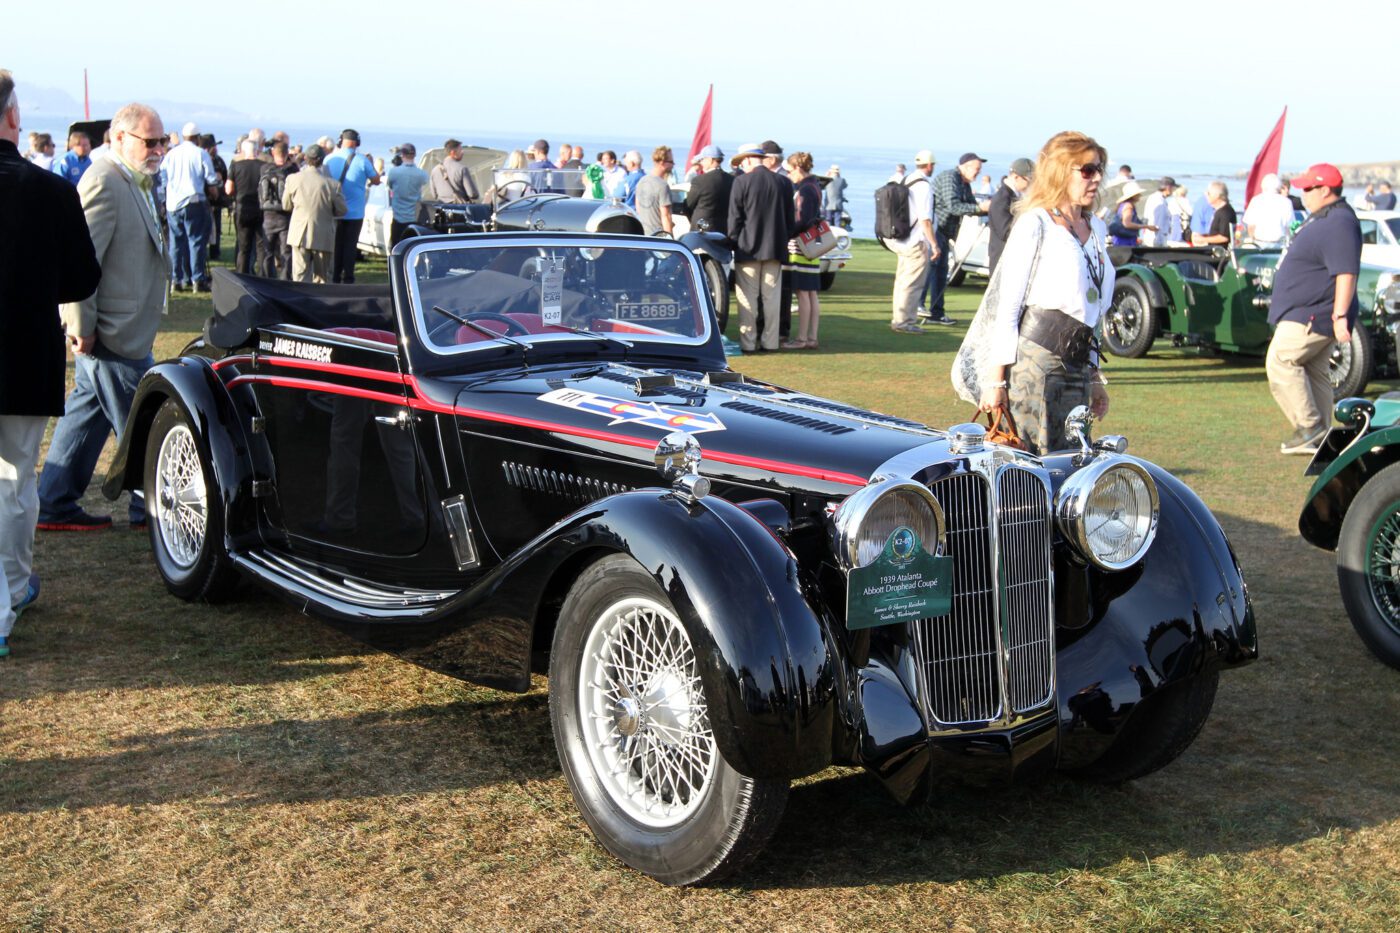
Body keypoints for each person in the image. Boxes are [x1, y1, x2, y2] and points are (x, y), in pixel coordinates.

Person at [0, 70, 102, 657]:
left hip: (24, 352)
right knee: (15, 477)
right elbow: (81, 277)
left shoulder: (53, 188)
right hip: (21, 351)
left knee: (13, 479)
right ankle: (9, 591)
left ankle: (12, 590)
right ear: (14, 119)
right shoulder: (50, 191)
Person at [36, 101, 169, 533]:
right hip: (113, 333)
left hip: (119, 329)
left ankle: (54, 501)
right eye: (150, 142)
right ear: (118, 137)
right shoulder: (105, 181)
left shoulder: (132, 179)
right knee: (143, 425)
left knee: (86, 416)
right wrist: (82, 327)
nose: (158, 150)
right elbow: (79, 263)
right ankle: (148, 511)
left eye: (162, 142)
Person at [973, 130, 1113, 455]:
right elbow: (1008, 307)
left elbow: (1092, 310)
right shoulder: (1036, 224)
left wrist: (1093, 376)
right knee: (1032, 465)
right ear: (1061, 172)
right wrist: (996, 381)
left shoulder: (1097, 229)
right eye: (1087, 170)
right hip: (1036, 364)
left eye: (1099, 170)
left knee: (1074, 459)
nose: (1096, 179)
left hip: (1076, 363)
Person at [1267, 163, 1362, 455]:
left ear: (1325, 190)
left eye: (1308, 188)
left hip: (1312, 313)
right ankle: (1323, 440)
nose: (1303, 193)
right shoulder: (1327, 218)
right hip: (1309, 311)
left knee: (1281, 360)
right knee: (1313, 370)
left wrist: (1340, 315)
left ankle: (1311, 428)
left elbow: (1346, 272)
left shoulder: (1338, 222)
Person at [727, 142, 794, 352]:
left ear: (747, 160)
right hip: (775, 248)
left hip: (748, 248)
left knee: (747, 299)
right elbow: (790, 220)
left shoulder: (741, 182)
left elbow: (734, 218)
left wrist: (732, 240)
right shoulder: (783, 182)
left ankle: (748, 342)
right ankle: (770, 342)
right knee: (772, 298)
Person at [926, 152, 989, 325]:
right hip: (935, 229)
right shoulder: (950, 177)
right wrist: (980, 208)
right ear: (966, 166)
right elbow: (954, 206)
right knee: (932, 270)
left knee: (940, 273)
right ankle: (920, 309)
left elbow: (970, 204)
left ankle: (936, 314)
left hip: (946, 233)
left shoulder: (964, 183)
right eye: (977, 169)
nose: (978, 173)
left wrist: (986, 207)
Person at [160, 121, 219, 292]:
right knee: (196, 241)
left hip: (173, 203)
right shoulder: (200, 153)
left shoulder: (171, 154)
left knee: (176, 243)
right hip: (194, 200)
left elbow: (163, 177)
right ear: (197, 138)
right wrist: (214, 189)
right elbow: (210, 177)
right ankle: (197, 279)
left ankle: (176, 280)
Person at [282, 143, 347, 284]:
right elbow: (342, 210)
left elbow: (286, 205)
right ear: (322, 160)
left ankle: (300, 301)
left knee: (299, 275)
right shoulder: (332, 184)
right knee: (323, 277)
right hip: (323, 234)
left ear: (306, 158)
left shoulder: (292, 179)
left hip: (299, 233)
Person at [889, 150, 938, 335]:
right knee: (913, 283)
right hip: (917, 241)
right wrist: (934, 244)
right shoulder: (923, 186)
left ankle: (899, 319)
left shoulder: (906, 180)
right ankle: (905, 322)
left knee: (902, 282)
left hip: (903, 239)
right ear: (930, 165)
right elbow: (925, 219)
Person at [322, 129, 380, 284]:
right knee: (350, 245)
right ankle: (348, 277)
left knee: (335, 245)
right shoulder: (362, 160)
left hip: (333, 211)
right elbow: (376, 180)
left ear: (340, 141)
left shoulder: (329, 159)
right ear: (357, 143)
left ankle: (334, 276)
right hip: (355, 213)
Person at [782, 152, 823, 350]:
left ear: (797, 168)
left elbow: (803, 219)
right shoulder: (815, 185)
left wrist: (789, 232)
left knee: (803, 293)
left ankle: (802, 338)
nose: (789, 175)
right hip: (814, 244)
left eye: (789, 171)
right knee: (811, 293)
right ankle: (812, 337)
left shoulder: (805, 189)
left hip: (802, 245)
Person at [226, 139, 266, 274]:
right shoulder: (264, 166)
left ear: (243, 151)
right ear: (257, 151)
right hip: (260, 209)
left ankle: (242, 275)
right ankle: (263, 276)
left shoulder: (236, 166)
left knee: (244, 247)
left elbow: (228, 189)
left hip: (242, 208)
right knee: (261, 247)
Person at [260, 140, 298, 278]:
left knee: (267, 251)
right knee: (286, 251)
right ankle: (285, 278)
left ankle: (267, 277)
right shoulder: (292, 170)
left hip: (268, 215)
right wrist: (293, 161)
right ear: (287, 154)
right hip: (285, 215)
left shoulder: (264, 169)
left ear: (272, 153)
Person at [988, 157, 1034, 274]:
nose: (1032, 184)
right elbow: (1006, 232)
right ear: (1016, 177)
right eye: (1030, 179)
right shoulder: (1002, 198)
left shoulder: (1013, 196)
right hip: (1002, 260)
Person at [684, 145, 732, 239]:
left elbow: (688, 205)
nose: (701, 163)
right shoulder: (731, 180)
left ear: (710, 160)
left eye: (702, 160)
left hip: (702, 232)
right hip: (723, 232)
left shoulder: (700, 180)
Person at [387, 142, 429, 246]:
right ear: (414, 155)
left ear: (402, 155)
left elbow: (390, 186)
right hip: (414, 217)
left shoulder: (394, 172)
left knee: (396, 247)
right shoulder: (422, 174)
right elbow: (426, 189)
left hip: (398, 217)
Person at [1243, 173, 1294, 246]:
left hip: (1259, 244)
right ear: (1278, 187)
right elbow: (1289, 227)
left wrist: (1253, 240)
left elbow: (1251, 227)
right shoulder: (1287, 202)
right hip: (1280, 245)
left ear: (1263, 186)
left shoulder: (1256, 200)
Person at [633, 146, 674, 236]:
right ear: (662, 163)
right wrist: (671, 240)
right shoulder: (663, 185)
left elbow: (638, 209)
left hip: (644, 235)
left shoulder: (641, 182)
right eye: (671, 162)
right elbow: (666, 216)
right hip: (659, 237)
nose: (673, 164)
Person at [202, 133, 229, 260]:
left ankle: (215, 252)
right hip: (204, 199)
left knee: (216, 229)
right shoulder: (201, 159)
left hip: (216, 201)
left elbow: (225, 176)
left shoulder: (219, 161)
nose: (216, 149)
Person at [430, 139, 480, 204]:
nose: (462, 152)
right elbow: (472, 194)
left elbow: (434, 195)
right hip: (459, 209)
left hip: (441, 210)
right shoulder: (462, 169)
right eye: (460, 150)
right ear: (453, 152)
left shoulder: (435, 170)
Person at [1109, 181, 1154, 246]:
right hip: (1125, 240)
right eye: (1138, 194)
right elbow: (1127, 224)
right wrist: (1147, 226)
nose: (1140, 195)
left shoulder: (1123, 205)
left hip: (1121, 239)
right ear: (1133, 196)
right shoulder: (1128, 206)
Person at [1192, 181, 1235, 246]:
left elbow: (1224, 237)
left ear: (1216, 195)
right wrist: (1203, 236)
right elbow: (1216, 232)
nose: (1206, 196)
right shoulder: (1218, 211)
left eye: (1208, 193)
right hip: (1212, 247)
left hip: (1220, 251)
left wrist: (1202, 239)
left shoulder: (1225, 213)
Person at [1142, 176, 1176, 247]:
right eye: (1173, 188)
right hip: (1156, 238)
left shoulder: (1153, 197)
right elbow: (1158, 224)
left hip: (1150, 236)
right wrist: (1160, 242)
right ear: (1168, 188)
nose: (1173, 191)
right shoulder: (1159, 201)